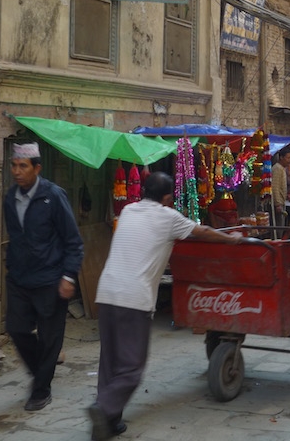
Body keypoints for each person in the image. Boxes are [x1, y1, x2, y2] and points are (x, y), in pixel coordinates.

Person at [89, 172, 243, 441]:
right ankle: (103, 408)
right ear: (168, 198)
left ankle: (109, 421)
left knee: (110, 361)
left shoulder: (127, 211)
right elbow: (202, 232)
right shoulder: (168, 217)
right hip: (133, 299)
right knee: (132, 366)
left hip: (107, 292)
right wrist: (233, 239)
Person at [3, 142, 84, 411]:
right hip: (19, 277)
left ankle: (41, 389)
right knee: (16, 328)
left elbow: (73, 240)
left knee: (50, 338)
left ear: (37, 168)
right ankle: (43, 369)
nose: (16, 171)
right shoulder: (10, 197)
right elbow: (16, 238)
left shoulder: (53, 196)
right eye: (14, 165)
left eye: (22, 166)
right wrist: (11, 266)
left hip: (50, 278)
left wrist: (69, 276)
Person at [272, 146, 290, 225]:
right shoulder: (277, 168)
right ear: (281, 157)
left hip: (281, 202)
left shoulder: (282, 168)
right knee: (278, 227)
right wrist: (278, 204)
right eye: (288, 158)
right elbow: (275, 187)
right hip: (278, 204)